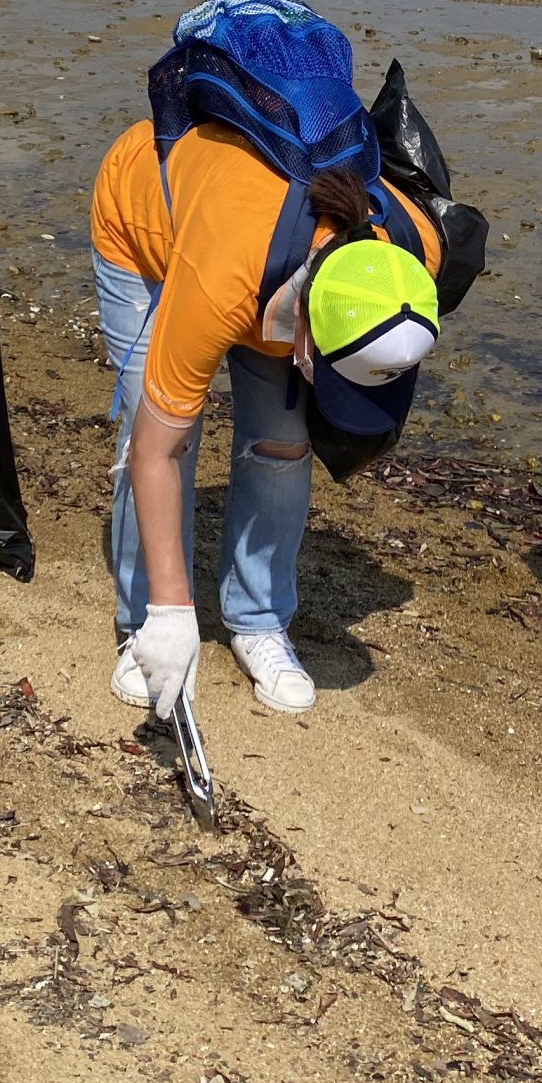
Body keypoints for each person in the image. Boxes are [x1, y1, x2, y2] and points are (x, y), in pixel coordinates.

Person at [89, 70, 444, 719]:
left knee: (284, 442)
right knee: (161, 428)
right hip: (150, 235)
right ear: (303, 322)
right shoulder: (220, 280)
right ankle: (143, 622)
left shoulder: (417, 250)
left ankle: (258, 621)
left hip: (270, 261)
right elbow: (155, 452)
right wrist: (172, 611)